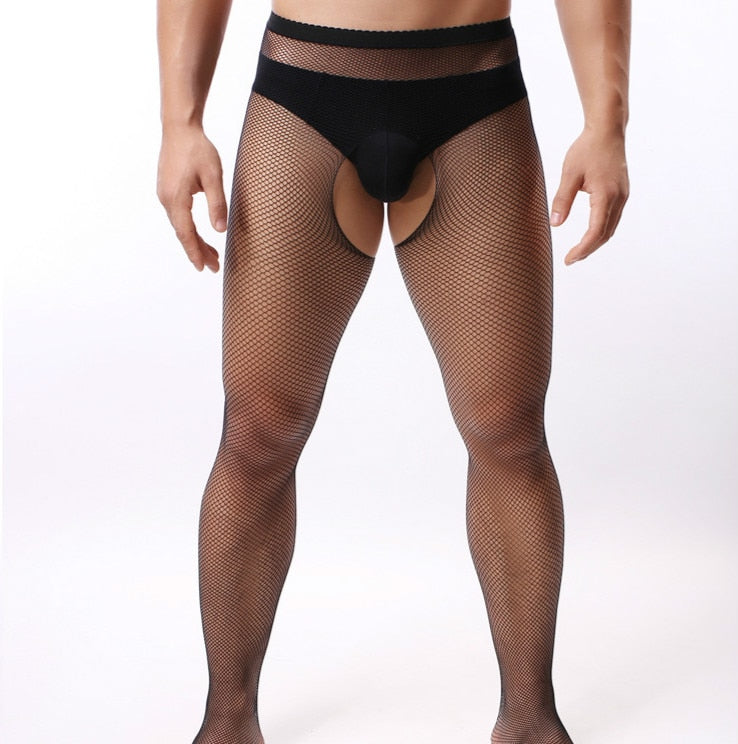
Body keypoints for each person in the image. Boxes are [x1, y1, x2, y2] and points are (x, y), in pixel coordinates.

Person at [156, 0, 630, 742]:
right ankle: (227, 721)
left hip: (473, 93)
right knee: (259, 431)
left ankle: (531, 721)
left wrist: (607, 122)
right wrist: (179, 122)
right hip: (304, 94)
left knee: (506, 428)